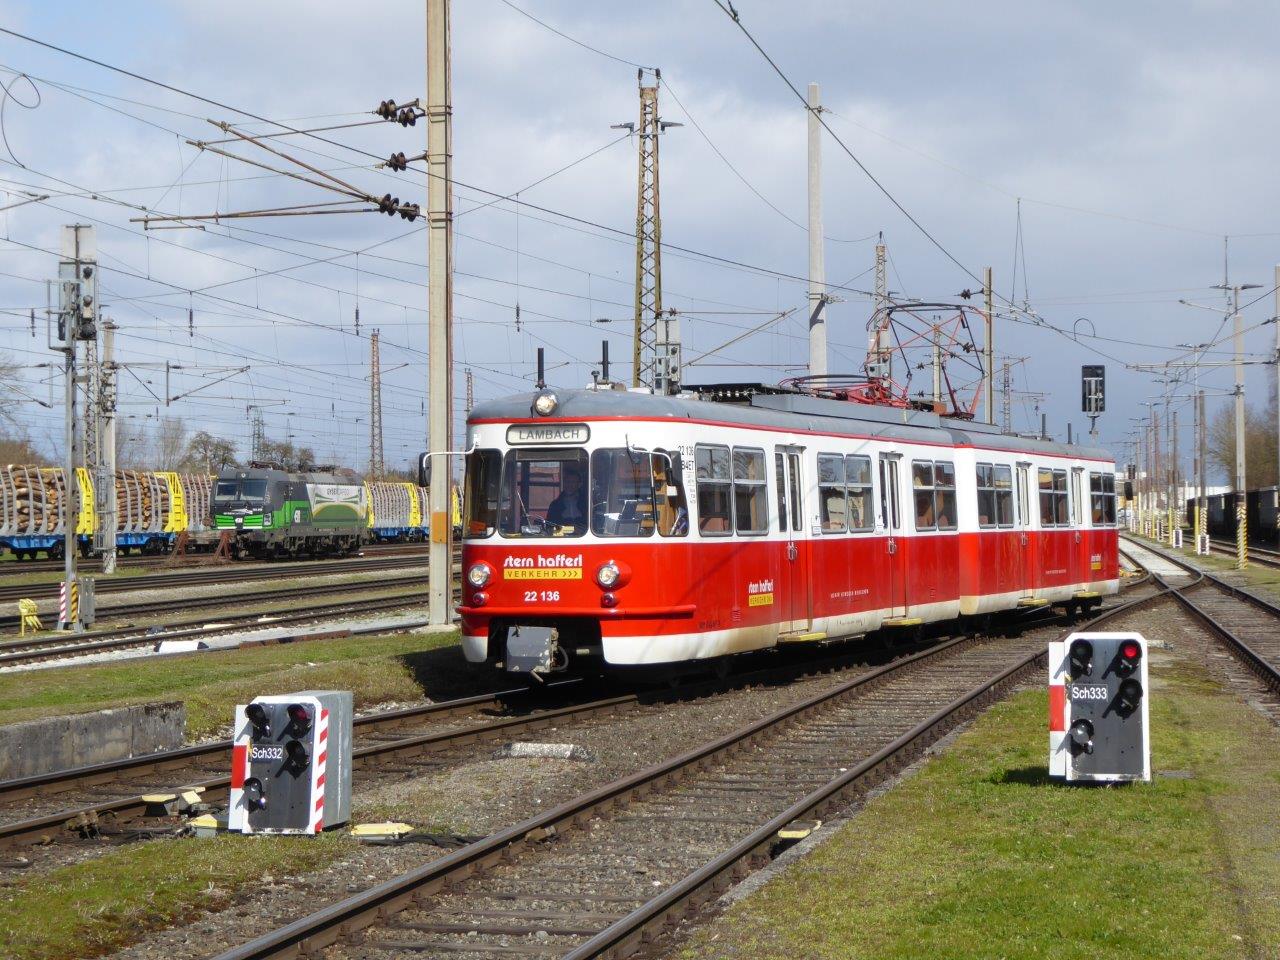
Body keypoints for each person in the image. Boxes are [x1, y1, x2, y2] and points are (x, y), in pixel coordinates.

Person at [546, 467, 587, 532]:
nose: (569, 485)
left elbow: (595, 526)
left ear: (579, 485)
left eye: (573, 482)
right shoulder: (555, 505)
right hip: (562, 539)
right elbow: (549, 529)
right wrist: (569, 530)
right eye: (567, 482)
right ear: (564, 483)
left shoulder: (587, 503)